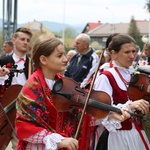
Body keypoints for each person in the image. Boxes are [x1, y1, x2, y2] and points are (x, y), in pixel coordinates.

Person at [15, 35, 130, 150]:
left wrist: (108, 114)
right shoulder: (32, 86)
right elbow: (24, 125)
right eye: (59, 56)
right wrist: (56, 139)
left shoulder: (64, 83)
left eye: (64, 54)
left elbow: (80, 116)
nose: (65, 59)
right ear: (43, 59)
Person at [93, 34, 149, 150]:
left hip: (139, 134)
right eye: (127, 52)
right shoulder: (106, 77)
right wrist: (130, 106)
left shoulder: (135, 74)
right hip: (119, 137)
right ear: (114, 53)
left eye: (134, 51)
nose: (132, 56)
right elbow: (100, 112)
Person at [0, 27, 33, 150]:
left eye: (28, 40)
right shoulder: (3, 60)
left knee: (19, 144)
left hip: (24, 110)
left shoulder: (32, 63)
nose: (25, 42)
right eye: (22, 39)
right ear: (14, 40)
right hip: (5, 110)